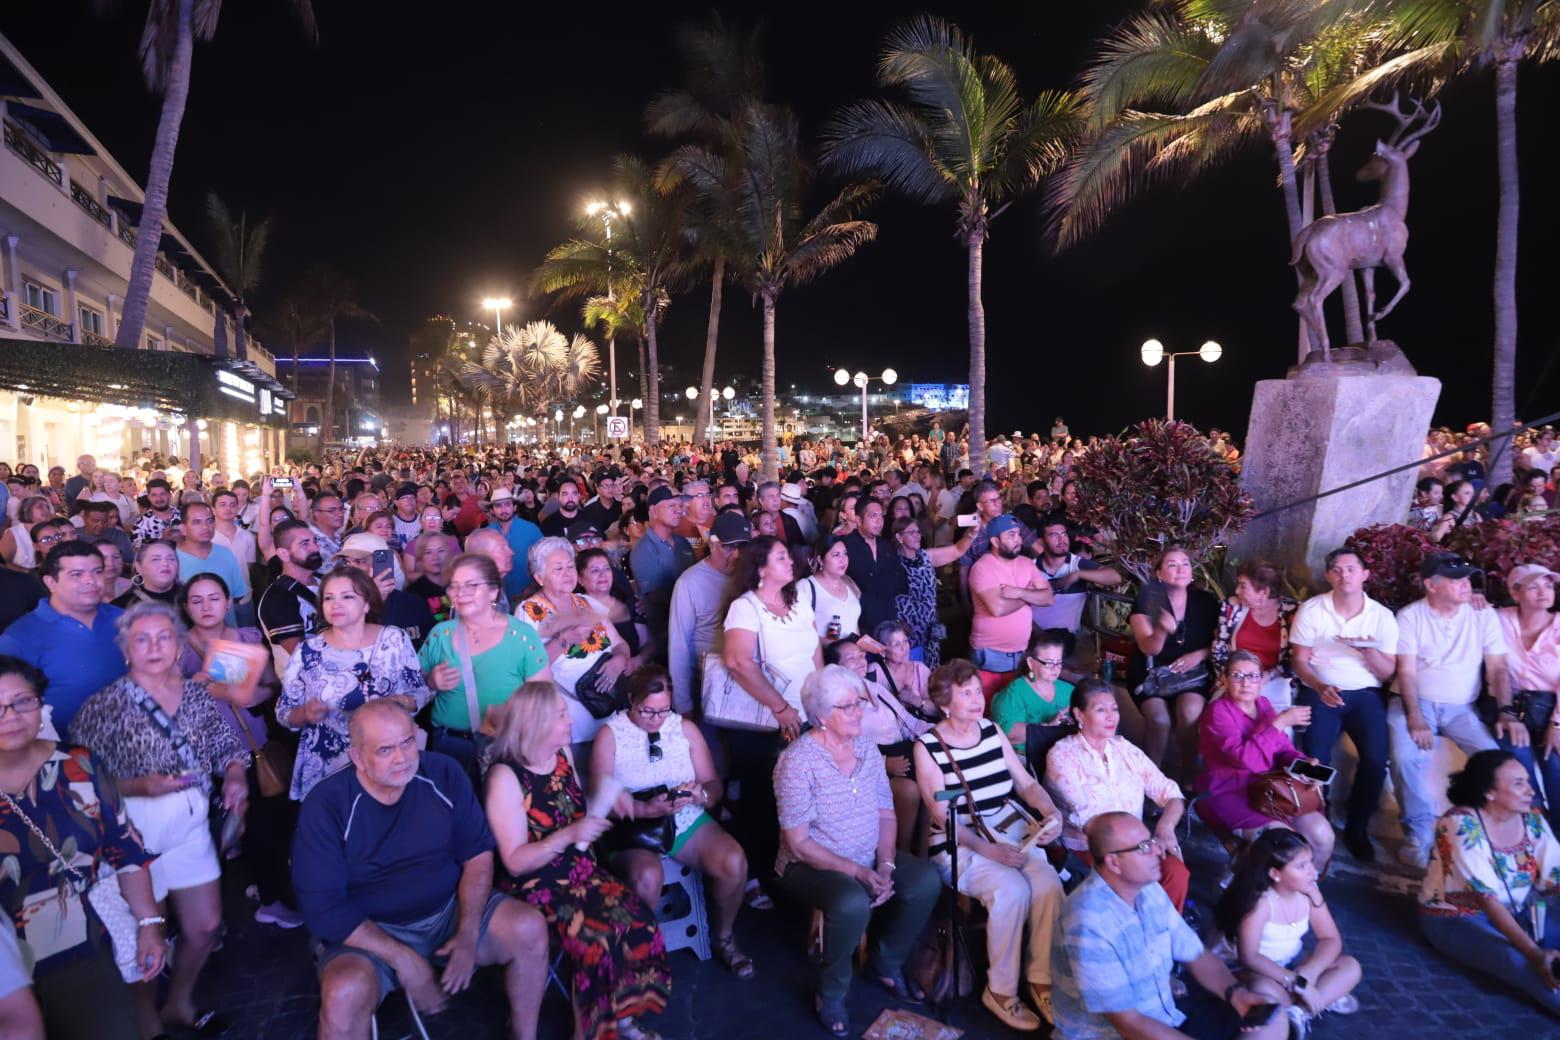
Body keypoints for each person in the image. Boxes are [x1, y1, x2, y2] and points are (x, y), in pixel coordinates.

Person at [291, 700, 550, 1040]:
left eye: (407, 742)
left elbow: (476, 853)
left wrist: (469, 931)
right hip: (371, 933)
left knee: (529, 929)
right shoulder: (327, 805)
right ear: (357, 758)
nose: (401, 758)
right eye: (384, 750)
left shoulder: (442, 773)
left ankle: (524, 1035)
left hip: (447, 912)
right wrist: (404, 959)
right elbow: (323, 907)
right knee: (343, 994)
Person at [71, 601, 249, 1038]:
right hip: (132, 832)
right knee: (140, 937)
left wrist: (235, 775)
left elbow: (229, 746)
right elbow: (77, 778)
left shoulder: (195, 693)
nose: (154, 647)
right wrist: (136, 786)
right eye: (142, 639)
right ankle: (147, 1022)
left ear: (177, 646)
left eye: (163, 637)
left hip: (190, 824)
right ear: (126, 650)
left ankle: (179, 1003)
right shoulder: (103, 706)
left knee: (205, 927)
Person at [484, 682, 672, 1040]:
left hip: (579, 871)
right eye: (560, 714)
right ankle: (589, 1032)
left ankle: (619, 1018)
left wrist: (605, 801)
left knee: (638, 920)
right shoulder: (505, 777)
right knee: (599, 939)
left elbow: (569, 807)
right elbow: (514, 861)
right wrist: (567, 837)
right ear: (535, 722)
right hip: (536, 884)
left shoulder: (561, 756)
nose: (570, 719)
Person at [0, 656, 164, 1040]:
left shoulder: (79, 765)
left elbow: (125, 848)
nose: (10, 715)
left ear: (41, 705)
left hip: (83, 945)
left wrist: (149, 924)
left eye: (22, 701)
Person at [774, 666, 941, 1038]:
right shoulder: (797, 762)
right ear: (820, 717)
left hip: (868, 857)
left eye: (858, 704)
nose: (857, 712)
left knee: (926, 880)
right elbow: (798, 843)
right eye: (846, 707)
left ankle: (887, 960)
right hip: (809, 865)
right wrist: (858, 872)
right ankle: (831, 991)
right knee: (851, 902)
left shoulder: (866, 748)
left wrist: (884, 863)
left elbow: (885, 812)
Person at [914, 658, 1066, 1031]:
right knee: (1010, 890)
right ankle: (1000, 991)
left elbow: (1025, 784)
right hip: (958, 841)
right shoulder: (927, 746)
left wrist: (1051, 813)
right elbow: (940, 815)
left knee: (1048, 885)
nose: (976, 699)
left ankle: (1041, 978)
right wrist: (988, 851)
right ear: (945, 704)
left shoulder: (992, 730)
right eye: (965, 693)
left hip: (1007, 828)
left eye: (977, 690)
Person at [1051, 811, 1285, 1040]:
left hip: (1165, 1016)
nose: (1158, 850)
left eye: (1152, 840)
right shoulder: (1087, 921)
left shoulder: (1148, 890)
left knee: (1274, 1019)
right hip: (1115, 1034)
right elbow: (1128, 1024)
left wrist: (1237, 995)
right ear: (1113, 862)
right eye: (1143, 847)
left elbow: (1195, 954)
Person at [590, 667, 753, 977]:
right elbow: (601, 798)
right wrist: (643, 809)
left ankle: (724, 937)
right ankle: (639, 954)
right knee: (647, 878)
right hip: (633, 823)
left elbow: (712, 785)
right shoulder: (610, 734)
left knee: (733, 861)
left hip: (683, 817)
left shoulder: (684, 728)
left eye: (663, 710)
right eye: (648, 711)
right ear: (630, 700)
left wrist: (699, 795)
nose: (656, 718)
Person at [1419, 749, 1560, 1017]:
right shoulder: (1460, 823)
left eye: (1527, 781)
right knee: (1521, 962)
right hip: (1458, 918)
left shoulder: (1531, 818)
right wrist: (1534, 953)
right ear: (1490, 792)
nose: (1530, 791)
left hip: (1520, 912)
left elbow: (1556, 877)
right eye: (1518, 784)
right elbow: (1488, 900)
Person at [1390, 552, 1508, 869]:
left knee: (1493, 759)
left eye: (1468, 579)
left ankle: (1492, 835)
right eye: (1456, 580)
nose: (1466, 585)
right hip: (1416, 701)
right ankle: (1418, 834)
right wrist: (1415, 716)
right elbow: (1407, 673)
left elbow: (1498, 668)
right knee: (1403, 757)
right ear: (1431, 584)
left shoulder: (1483, 615)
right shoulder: (1410, 616)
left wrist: (1507, 710)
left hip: (1462, 708)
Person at [719, 535, 825, 882]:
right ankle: (755, 877)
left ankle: (795, 874)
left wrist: (820, 700)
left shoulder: (799, 602)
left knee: (803, 798)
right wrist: (780, 707)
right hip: (763, 721)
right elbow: (737, 661)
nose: (790, 562)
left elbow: (815, 653)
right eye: (781, 558)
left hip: (806, 715)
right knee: (763, 800)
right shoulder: (746, 607)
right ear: (761, 568)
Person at [276, 568, 433, 801]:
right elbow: (283, 712)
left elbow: (420, 690)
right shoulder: (308, 651)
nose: (336, 604)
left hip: (388, 760)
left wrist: (403, 702)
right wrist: (304, 714)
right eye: (329, 598)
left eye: (347, 596)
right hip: (328, 766)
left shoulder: (393, 638)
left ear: (367, 603)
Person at [1288, 547, 1397, 863]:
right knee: (1314, 758)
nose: (1343, 575)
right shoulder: (1313, 609)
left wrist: (1367, 651)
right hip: (1321, 688)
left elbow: (1389, 672)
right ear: (1328, 576)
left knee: (1376, 761)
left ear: (1365, 575)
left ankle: (1357, 826)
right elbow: (1299, 660)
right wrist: (1320, 685)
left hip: (1365, 693)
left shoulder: (1381, 616)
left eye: (1351, 569)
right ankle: (1319, 815)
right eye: (1337, 569)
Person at [1046, 679, 1192, 911]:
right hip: (1090, 852)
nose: (1111, 717)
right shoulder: (1062, 756)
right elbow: (1090, 822)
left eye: (1114, 709)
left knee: (1176, 873)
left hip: (1139, 845)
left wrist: (1165, 829)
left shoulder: (1124, 748)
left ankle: (1161, 936)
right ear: (1079, 715)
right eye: (1101, 710)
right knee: (1135, 883)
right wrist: (1140, 848)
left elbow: (1171, 792)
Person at [1213, 830, 1362, 1035]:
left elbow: (1330, 939)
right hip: (1249, 970)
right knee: (1264, 990)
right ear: (1275, 874)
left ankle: (1298, 1013)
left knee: (1350, 966)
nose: (1313, 872)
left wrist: (1309, 972)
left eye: (1310, 862)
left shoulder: (1310, 892)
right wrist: (1295, 982)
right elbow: (1249, 957)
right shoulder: (1260, 904)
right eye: (1302, 866)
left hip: (1289, 966)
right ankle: (1312, 1001)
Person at [1195, 652, 1333, 869]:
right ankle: (1255, 888)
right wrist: (1278, 723)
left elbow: (1282, 750)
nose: (1246, 683)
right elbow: (1245, 759)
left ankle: (1304, 890)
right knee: (1286, 846)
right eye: (1238, 675)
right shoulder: (1218, 711)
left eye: (1253, 676)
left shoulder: (1263, 704)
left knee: (1322, 835)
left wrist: (1305, 765)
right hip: (1230, 792)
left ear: (1261, 680)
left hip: (1269, 790)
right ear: (1224, 679)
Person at [420, 553, 551, 776]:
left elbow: (544, 698)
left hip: (505, 744)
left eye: (471, 586)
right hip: (448, 744)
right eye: (454, 587)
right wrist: (431, 681)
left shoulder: (521, 637)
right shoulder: (440, 635)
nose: (461, 594)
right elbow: (413, 685)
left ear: (493, 591)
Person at [0, 543, 126, 738]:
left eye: (97, 572)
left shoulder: (126, 620)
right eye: (77, 574)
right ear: (51, 582)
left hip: (132, 742)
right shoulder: (19, 638)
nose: (90, 581)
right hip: (62, 755)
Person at [517, 537, 632, 750]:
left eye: (570, 566)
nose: (567, 573)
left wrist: (619, 659)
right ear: (540, 577)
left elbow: (620, 644)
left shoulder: (587, 602)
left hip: (612, 718)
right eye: (558, 569)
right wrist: (565, 639)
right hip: (573, 726)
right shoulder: (529, 611)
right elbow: (529, 667)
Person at [1128, 544, 1218, 777]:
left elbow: (1221, 642)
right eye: (1172, 564)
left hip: (1191, 675)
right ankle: (1151, 781)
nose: (1181, 570)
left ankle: (1188, 778)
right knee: (1159, 720)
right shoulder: (1147, 600)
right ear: (1159, 574)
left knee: (1190, 715)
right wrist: (1160, 630)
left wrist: (1199, 654)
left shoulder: (1206, 601)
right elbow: (1148, 647)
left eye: (1185, 564)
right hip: (1151, 673)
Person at [665, 510, 750, 714]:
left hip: (747, 679)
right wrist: (683, 704)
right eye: (729, 547)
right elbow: (678, 646)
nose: (737, 554)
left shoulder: (750, 576)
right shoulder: (689, 583)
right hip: (706, 682)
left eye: (742, 546)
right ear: (712, 544)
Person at [1497, 564, 1560, 833]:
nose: (1543, 592)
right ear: (1515, 593)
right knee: (1518, 767)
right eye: (1533, 586)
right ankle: (1537, 830)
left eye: (1548, 585)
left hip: (1552, 709)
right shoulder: (1500, 619)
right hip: (1513, 709)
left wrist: (1557, 724)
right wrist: (1475, 594)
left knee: (1555, 766)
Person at [969, 514, 1054, 701]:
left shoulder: (1026, 563)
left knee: (1015, 706)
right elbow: (997, 608)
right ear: (995, 541)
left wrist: (1019, 592)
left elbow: (1048, 597)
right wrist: (1030, 595)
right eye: (1011, 535)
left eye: (1018, 534)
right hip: (989, 654)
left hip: (1021, 653)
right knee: (989, 709)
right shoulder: (982, 567)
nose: (1018, 540)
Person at [1210, 560, 1297, 713]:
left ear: (1265, 592)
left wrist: (1267, 676)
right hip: (1235, 681)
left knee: (1274, 727)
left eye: (1243, 586)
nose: (1236, 591)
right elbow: (1220, 648)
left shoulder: (1293, 612)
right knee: (1225, 721)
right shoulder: (1231, 607)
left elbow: (1296, 658)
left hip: (1275, 681)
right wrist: (1231, 677)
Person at [890, 513, 972, 669]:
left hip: (930, 629)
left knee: (930, 674)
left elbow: (957, 550)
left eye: (918, 531)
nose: (917, 536)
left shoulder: (926, 556)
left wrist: (972, 533)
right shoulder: (893, 562)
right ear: (899, 537)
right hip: (908, 632)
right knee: (911, 675)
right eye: (911, 532)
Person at [629, 486, 694, 659]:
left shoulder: (683, 544)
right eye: (671, 506)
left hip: (690, 625)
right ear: (653, 511)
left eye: (680, 507)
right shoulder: (644, 550)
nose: (678, 511)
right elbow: (655, 597)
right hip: (665, 633)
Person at [991, 627, 1076, 758]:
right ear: (1031, 663)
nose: (1055, 669)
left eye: (1059, 663)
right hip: (1024, 757)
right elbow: (1009, 734)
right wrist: (1046, 727)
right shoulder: (1014, 693)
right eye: (1048, 663)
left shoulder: (1068, 690)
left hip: (1061, 755)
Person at [257, 519, 325, 672]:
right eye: (305, 544)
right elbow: (303, 656)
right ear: (284, 554)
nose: (315, 548)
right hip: (301, 684)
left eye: (315, 541)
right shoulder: (277, 599)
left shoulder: (327, 582)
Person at [173, 501, 249, 623]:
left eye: (210, 520)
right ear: (183, 529)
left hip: (227, 635)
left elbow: (237, 596)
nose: (205, 527)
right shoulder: (171, 561)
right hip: (188, 638)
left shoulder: (226, 553)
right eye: (197, 522)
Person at [579, 547, 654, 670]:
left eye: (607, 569)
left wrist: (636, 662)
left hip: (632, 674)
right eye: (595, 571)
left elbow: (649, 644)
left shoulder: (629, 603)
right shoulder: (576, 609)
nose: (602, 575)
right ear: (580, 579)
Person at [843, 498, 908, 637]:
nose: (879, 521)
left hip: (889, 623)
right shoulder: (845, 546)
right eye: (873, 516)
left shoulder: (887, 546)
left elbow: (901, 580)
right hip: (859, 626)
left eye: (881, 516)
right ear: (859, 520)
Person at [799, 535, 874, 646]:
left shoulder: (849, 583)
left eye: (845, 554)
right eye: (836, 555)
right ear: (820, 560)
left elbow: (853, 624)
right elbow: (799, 631)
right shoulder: (806, 587)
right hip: (827, 657)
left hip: (854, 656)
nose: (843, 560)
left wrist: (860, 648)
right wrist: (832, 644)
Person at [485, 487, 542, 603]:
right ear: (492, 510)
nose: (503, 509)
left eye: (507, 505)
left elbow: (544, 562)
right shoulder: (486, 534)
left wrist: (532, 588)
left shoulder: (531, 530)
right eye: (498, 506)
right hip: (496, 600)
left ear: (514, 507)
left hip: (530, 597)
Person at [112, 538, 183, 610]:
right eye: (155, 559)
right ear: (139, 567)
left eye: (171, 559)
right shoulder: (119, 607)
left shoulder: (190, 598)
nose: (165, 564)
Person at [0, 496, 55, 570]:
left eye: (47, 507)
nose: (46, 510)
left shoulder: (52, 531)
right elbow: (2, 562)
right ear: (27, 511)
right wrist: (28, 572)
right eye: (40, 507)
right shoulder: (13, 534)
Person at [130, 478, 180, 548]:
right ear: (148, 497)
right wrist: (162, 540)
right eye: (154, 495)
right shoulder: (140, 524)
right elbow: (139, 553)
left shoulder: (184, 516)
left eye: (162, 494)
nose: (159, 499)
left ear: (169, 494)